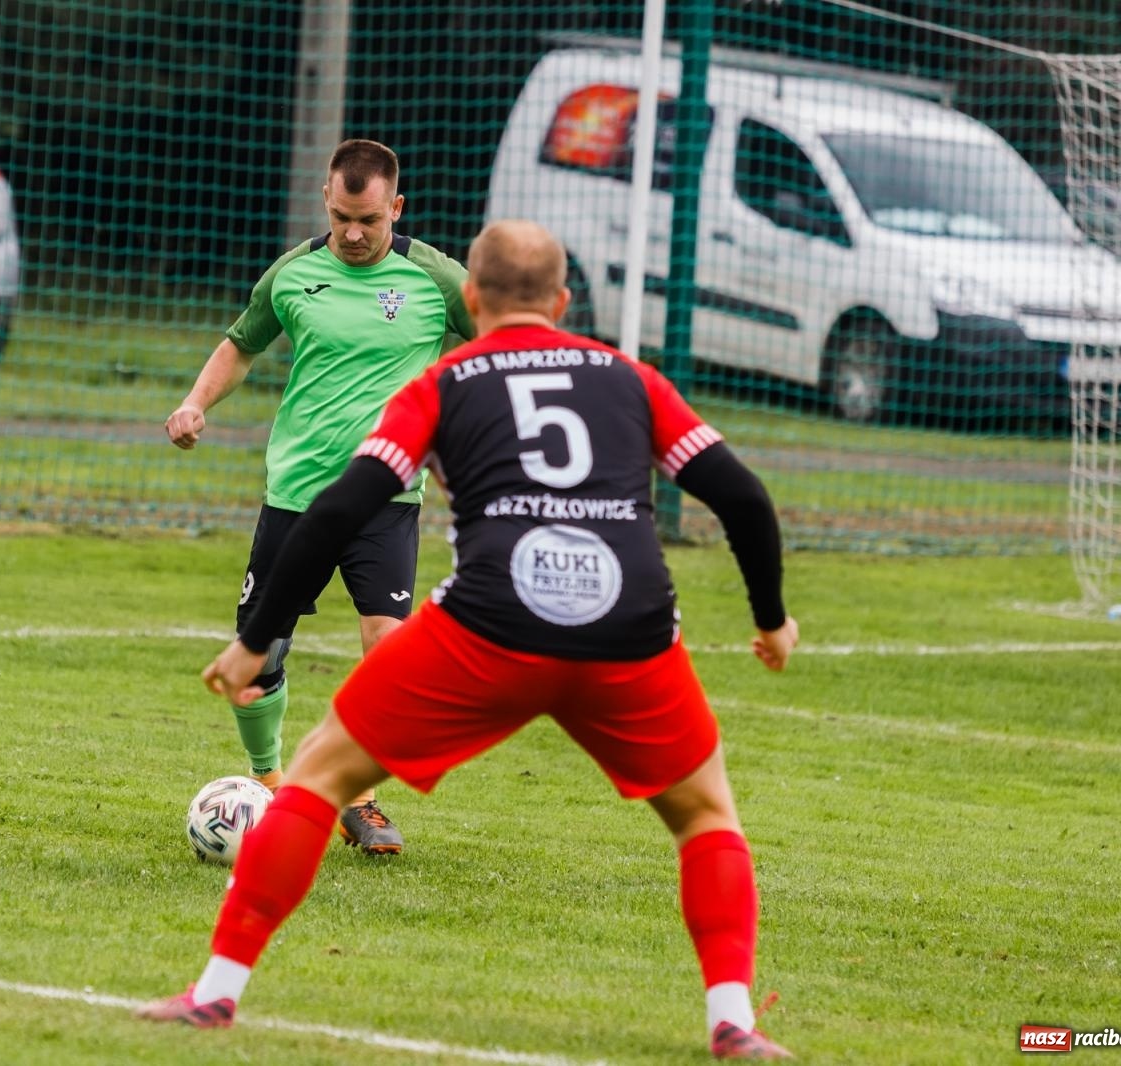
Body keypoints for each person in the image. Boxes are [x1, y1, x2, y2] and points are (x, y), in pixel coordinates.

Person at [139, 219, 800, 1060]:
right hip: (627, 630)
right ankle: (733, 1021)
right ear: (563, 303)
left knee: (317, 775)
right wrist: (771, 620)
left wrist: (254, 639)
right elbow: (741, 497)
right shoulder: (631, 379)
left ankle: (216, 995)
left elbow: (340, 507)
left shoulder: (447, 381)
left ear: (474, 299)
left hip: (489, 627)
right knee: (707, 815)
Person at [165, 139, 475, 856]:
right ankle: (272, 782)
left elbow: (500, 340)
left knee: (386, 654)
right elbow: (241, 343)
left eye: (368, 218)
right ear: (326, 205)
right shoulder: (296, 272)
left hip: (386, 498)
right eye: (341, 218)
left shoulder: (435, 278)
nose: (354, 233)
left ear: (396, 206)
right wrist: (194, 403)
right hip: (296, 495)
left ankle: (356, 796)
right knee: (261, 652)